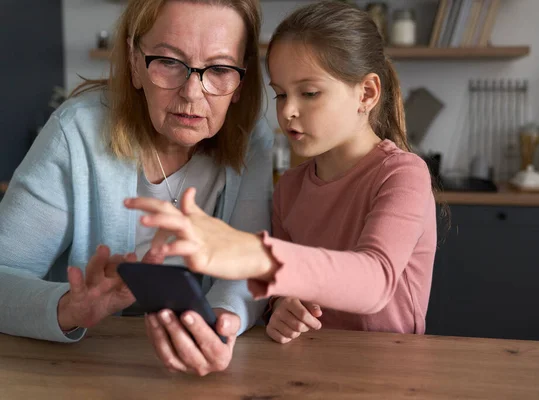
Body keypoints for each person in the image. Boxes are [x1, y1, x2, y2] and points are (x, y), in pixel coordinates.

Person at [126, 0, 437, 345]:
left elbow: (374, 281)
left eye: (309, 93)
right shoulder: (289, 187)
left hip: (392, 372)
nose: (288, 111)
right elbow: (279, 293)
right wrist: (282, 308)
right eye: (280, 94)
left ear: (366, 93)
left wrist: (253, 254)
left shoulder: (403, 175)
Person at [0, 0, 271, 376]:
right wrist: (68, 308)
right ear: (133, 62)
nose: (192, 93)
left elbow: (250, 262)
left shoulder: (251, 136)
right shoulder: (76, 130)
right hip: (84, 371)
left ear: (241, 81)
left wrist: (221, 322)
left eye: (221, 68)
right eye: (169, 62)